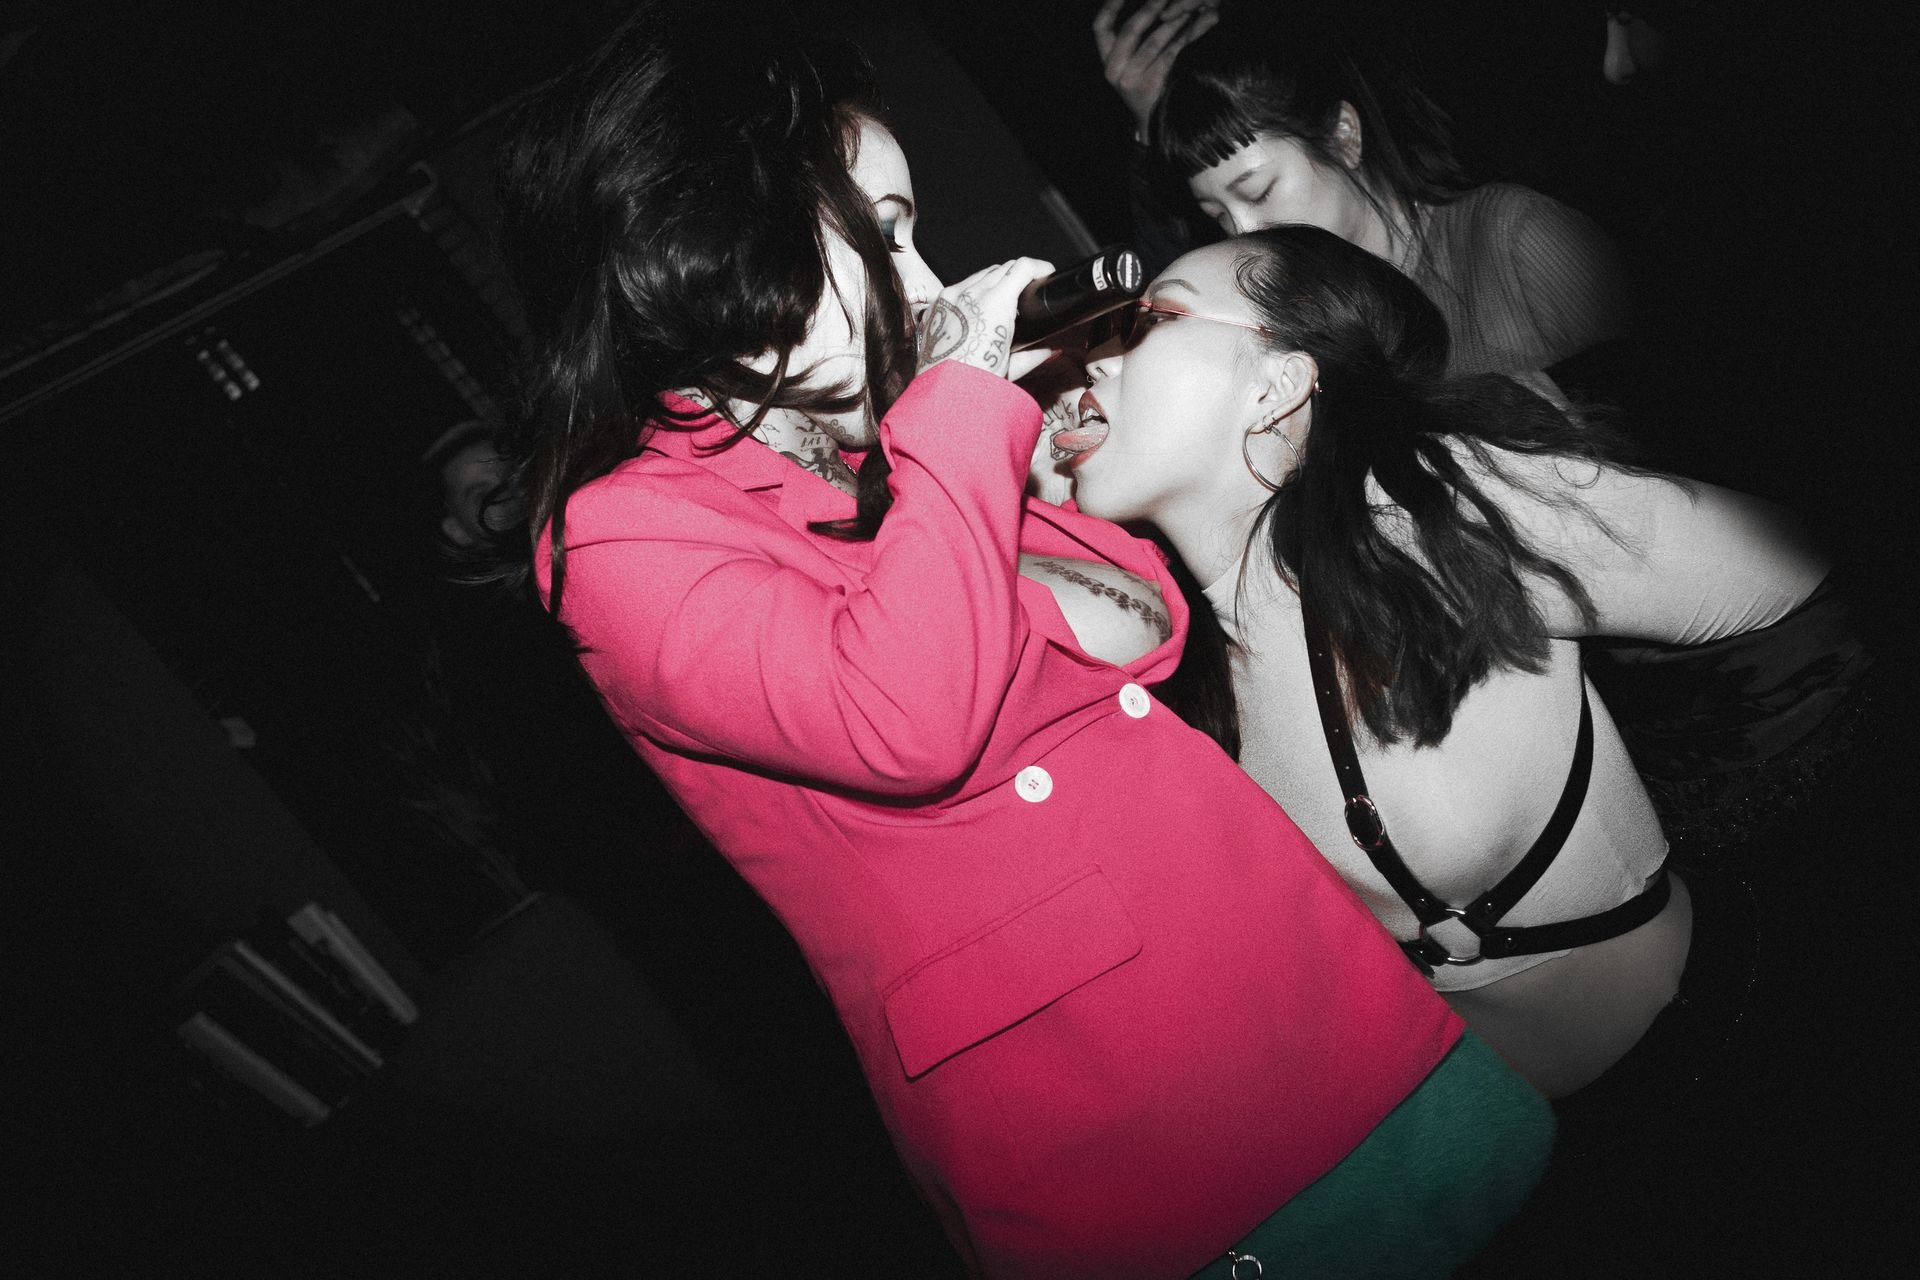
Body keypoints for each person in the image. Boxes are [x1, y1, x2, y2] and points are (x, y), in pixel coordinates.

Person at [495, 12, 1552, 1277]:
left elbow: (1145, 627)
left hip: (1332, 1004)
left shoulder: (887, 451)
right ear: (727, 227)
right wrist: (961, 406)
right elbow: (908, 718)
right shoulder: (620, 529)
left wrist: (1016, 453)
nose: (922, 276)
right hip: (1140, 1131)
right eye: (886, 231)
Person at [1056, 225, 1832, 1101]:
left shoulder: (1431, 515)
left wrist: (1729, 781)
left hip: (1745, 1046)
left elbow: (1798, 576)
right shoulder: (1160, 661)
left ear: (1276, 385)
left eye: (1152, 319)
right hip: (1517, 1149)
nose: (1096, 361)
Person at [1094, 3, 1631, 384]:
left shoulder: (1514, 237)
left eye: (1258, 191)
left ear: (1344, 137)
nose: (1244, 234)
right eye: (1219, 216)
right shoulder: (1316, 339)